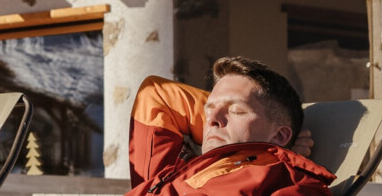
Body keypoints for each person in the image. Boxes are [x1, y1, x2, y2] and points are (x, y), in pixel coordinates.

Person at [126, 56, 331, 196]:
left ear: (279, 135)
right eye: (209, 109)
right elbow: (156, 94)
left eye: (237, 111)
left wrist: (273, 149)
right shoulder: (178, 171)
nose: (212, 119)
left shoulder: (293, 184)